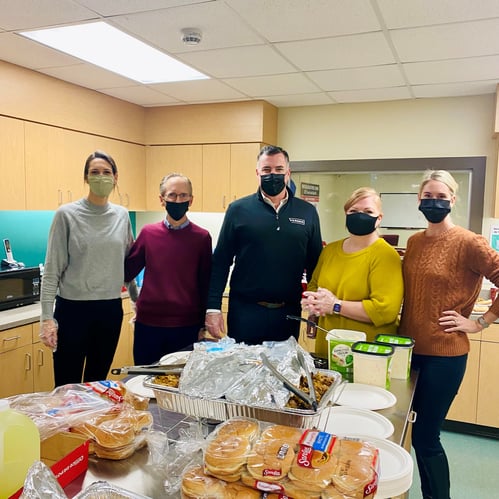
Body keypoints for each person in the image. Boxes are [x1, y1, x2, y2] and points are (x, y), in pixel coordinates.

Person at [398, 170, 499, 499]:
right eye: (428, 196)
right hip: (407, 351)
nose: (434, 202)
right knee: (407, 433)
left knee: (427, 437)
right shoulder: (413, 242)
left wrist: (480, 323)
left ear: (453, 200)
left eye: (441, 197)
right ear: (419, 200)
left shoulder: (469, 242)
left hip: (445, 355)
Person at [204, 145, 323, 344]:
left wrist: (315, 309)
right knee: (244, 370)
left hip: (288, 312)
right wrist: (213, 308)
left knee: (283, 371)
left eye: (278, 169)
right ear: (258, 172)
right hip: (245, 312)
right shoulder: (238, 210)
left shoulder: (307, 212)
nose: (272, 175)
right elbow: (221, 261)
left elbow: (315, 265)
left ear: (288, 173)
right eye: (267, 170)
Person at [39, 151, 136, 386]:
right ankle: (66, 424)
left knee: (97, 383)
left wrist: (137, 301)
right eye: (94, 172)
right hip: (72, 311)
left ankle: (91, 425)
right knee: (67, 384)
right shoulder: (67, 215)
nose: (101, 177)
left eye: (106, 172)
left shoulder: (121, 215)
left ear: (115, 178)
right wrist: (47, 319)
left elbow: (128, 263)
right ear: (86, 178)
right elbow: (52, 271)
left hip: (110, 310)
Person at [301, 187, 403, 357]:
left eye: (368, 211)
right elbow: (314, 285)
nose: (360, 215)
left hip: (366, 353)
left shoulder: (385, 255)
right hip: (328, 347)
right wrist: (313, 301)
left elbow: (384, 311)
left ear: (379, 219)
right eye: (353, 211)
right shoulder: (330, 250)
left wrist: (335, 305)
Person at [125, 173, 212, 364]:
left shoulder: (202, 238)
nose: (178, 200)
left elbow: (205, 283)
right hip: (148, 326)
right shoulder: (148, 233)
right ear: (162, 199)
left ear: (191, 200)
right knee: (143, 382)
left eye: (183, 195)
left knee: (179, 385)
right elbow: (127, 271)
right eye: (172, 195)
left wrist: (202, 325)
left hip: (186, 327)